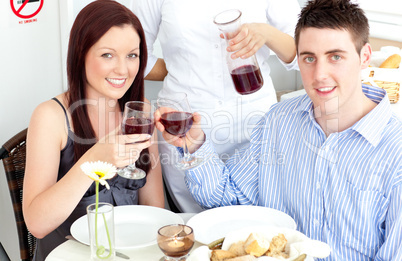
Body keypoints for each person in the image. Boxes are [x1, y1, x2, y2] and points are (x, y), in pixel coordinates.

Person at [155, 0, 402, 259]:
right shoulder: (279, 121)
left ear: (364, 56)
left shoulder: (394, 152)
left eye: (335, 57)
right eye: (309, 58)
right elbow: (227, 198)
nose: (320, 74)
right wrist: (195, 145)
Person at [22, 1, 164, 260]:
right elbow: (37, 224)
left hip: (128, 253)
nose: (123, 69)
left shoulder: (139, 112)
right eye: (107, 55)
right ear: (81, 54)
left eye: (132, 55)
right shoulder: (50, 117)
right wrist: (95, 158)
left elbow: (154, 208)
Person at [131, 0, 301, 213]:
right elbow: (134, 55)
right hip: (184, 127)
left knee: (259, 225)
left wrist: (266, 33)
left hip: (255, 126)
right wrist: (179, 68)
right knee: (196, 228)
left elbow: (302, 53)